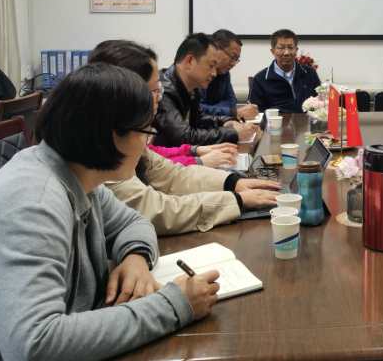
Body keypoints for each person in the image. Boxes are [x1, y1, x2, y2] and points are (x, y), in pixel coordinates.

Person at [0, 64, 221, 360]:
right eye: (145, 131)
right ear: (112, 136)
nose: (147, 145)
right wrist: (174, 305)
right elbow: (36, 346)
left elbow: (132, 222)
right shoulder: (34, 205)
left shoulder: (75, 172)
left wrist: (135, 257)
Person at [89, 39, 279, 235]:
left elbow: (171, 175)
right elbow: (156, 211)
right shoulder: (101, 149)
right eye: (154, 91)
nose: (159, 98)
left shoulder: (122, 132)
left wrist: (232, 182)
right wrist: (237, 200)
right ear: (123, 94)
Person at [154, 33, 259, 147]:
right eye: (211, 66)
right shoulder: (162, 91)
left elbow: (199, 119)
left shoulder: (192, 87)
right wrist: (232, 133)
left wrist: (226, 121)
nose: (214, 73)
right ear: (190, 61)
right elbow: (183, 136)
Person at [249, 28, 320, 113]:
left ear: (296, 50)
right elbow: (256, 113)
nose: (286, 53)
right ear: (272, 51)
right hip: (275, 121)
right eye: (281, 48)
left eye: (290, 47)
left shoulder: (310, 73)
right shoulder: (260, 79)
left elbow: (320, 103)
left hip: (306, 120)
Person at [199, 29, 258, 121]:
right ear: (216, 49)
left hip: (217, 121)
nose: (233, 63)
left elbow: (232, 102)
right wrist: (229, 111)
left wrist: (213, 108)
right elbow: (198, 109)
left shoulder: (224, 73)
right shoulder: (199, 71)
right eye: (232, 57)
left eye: (236, 59)